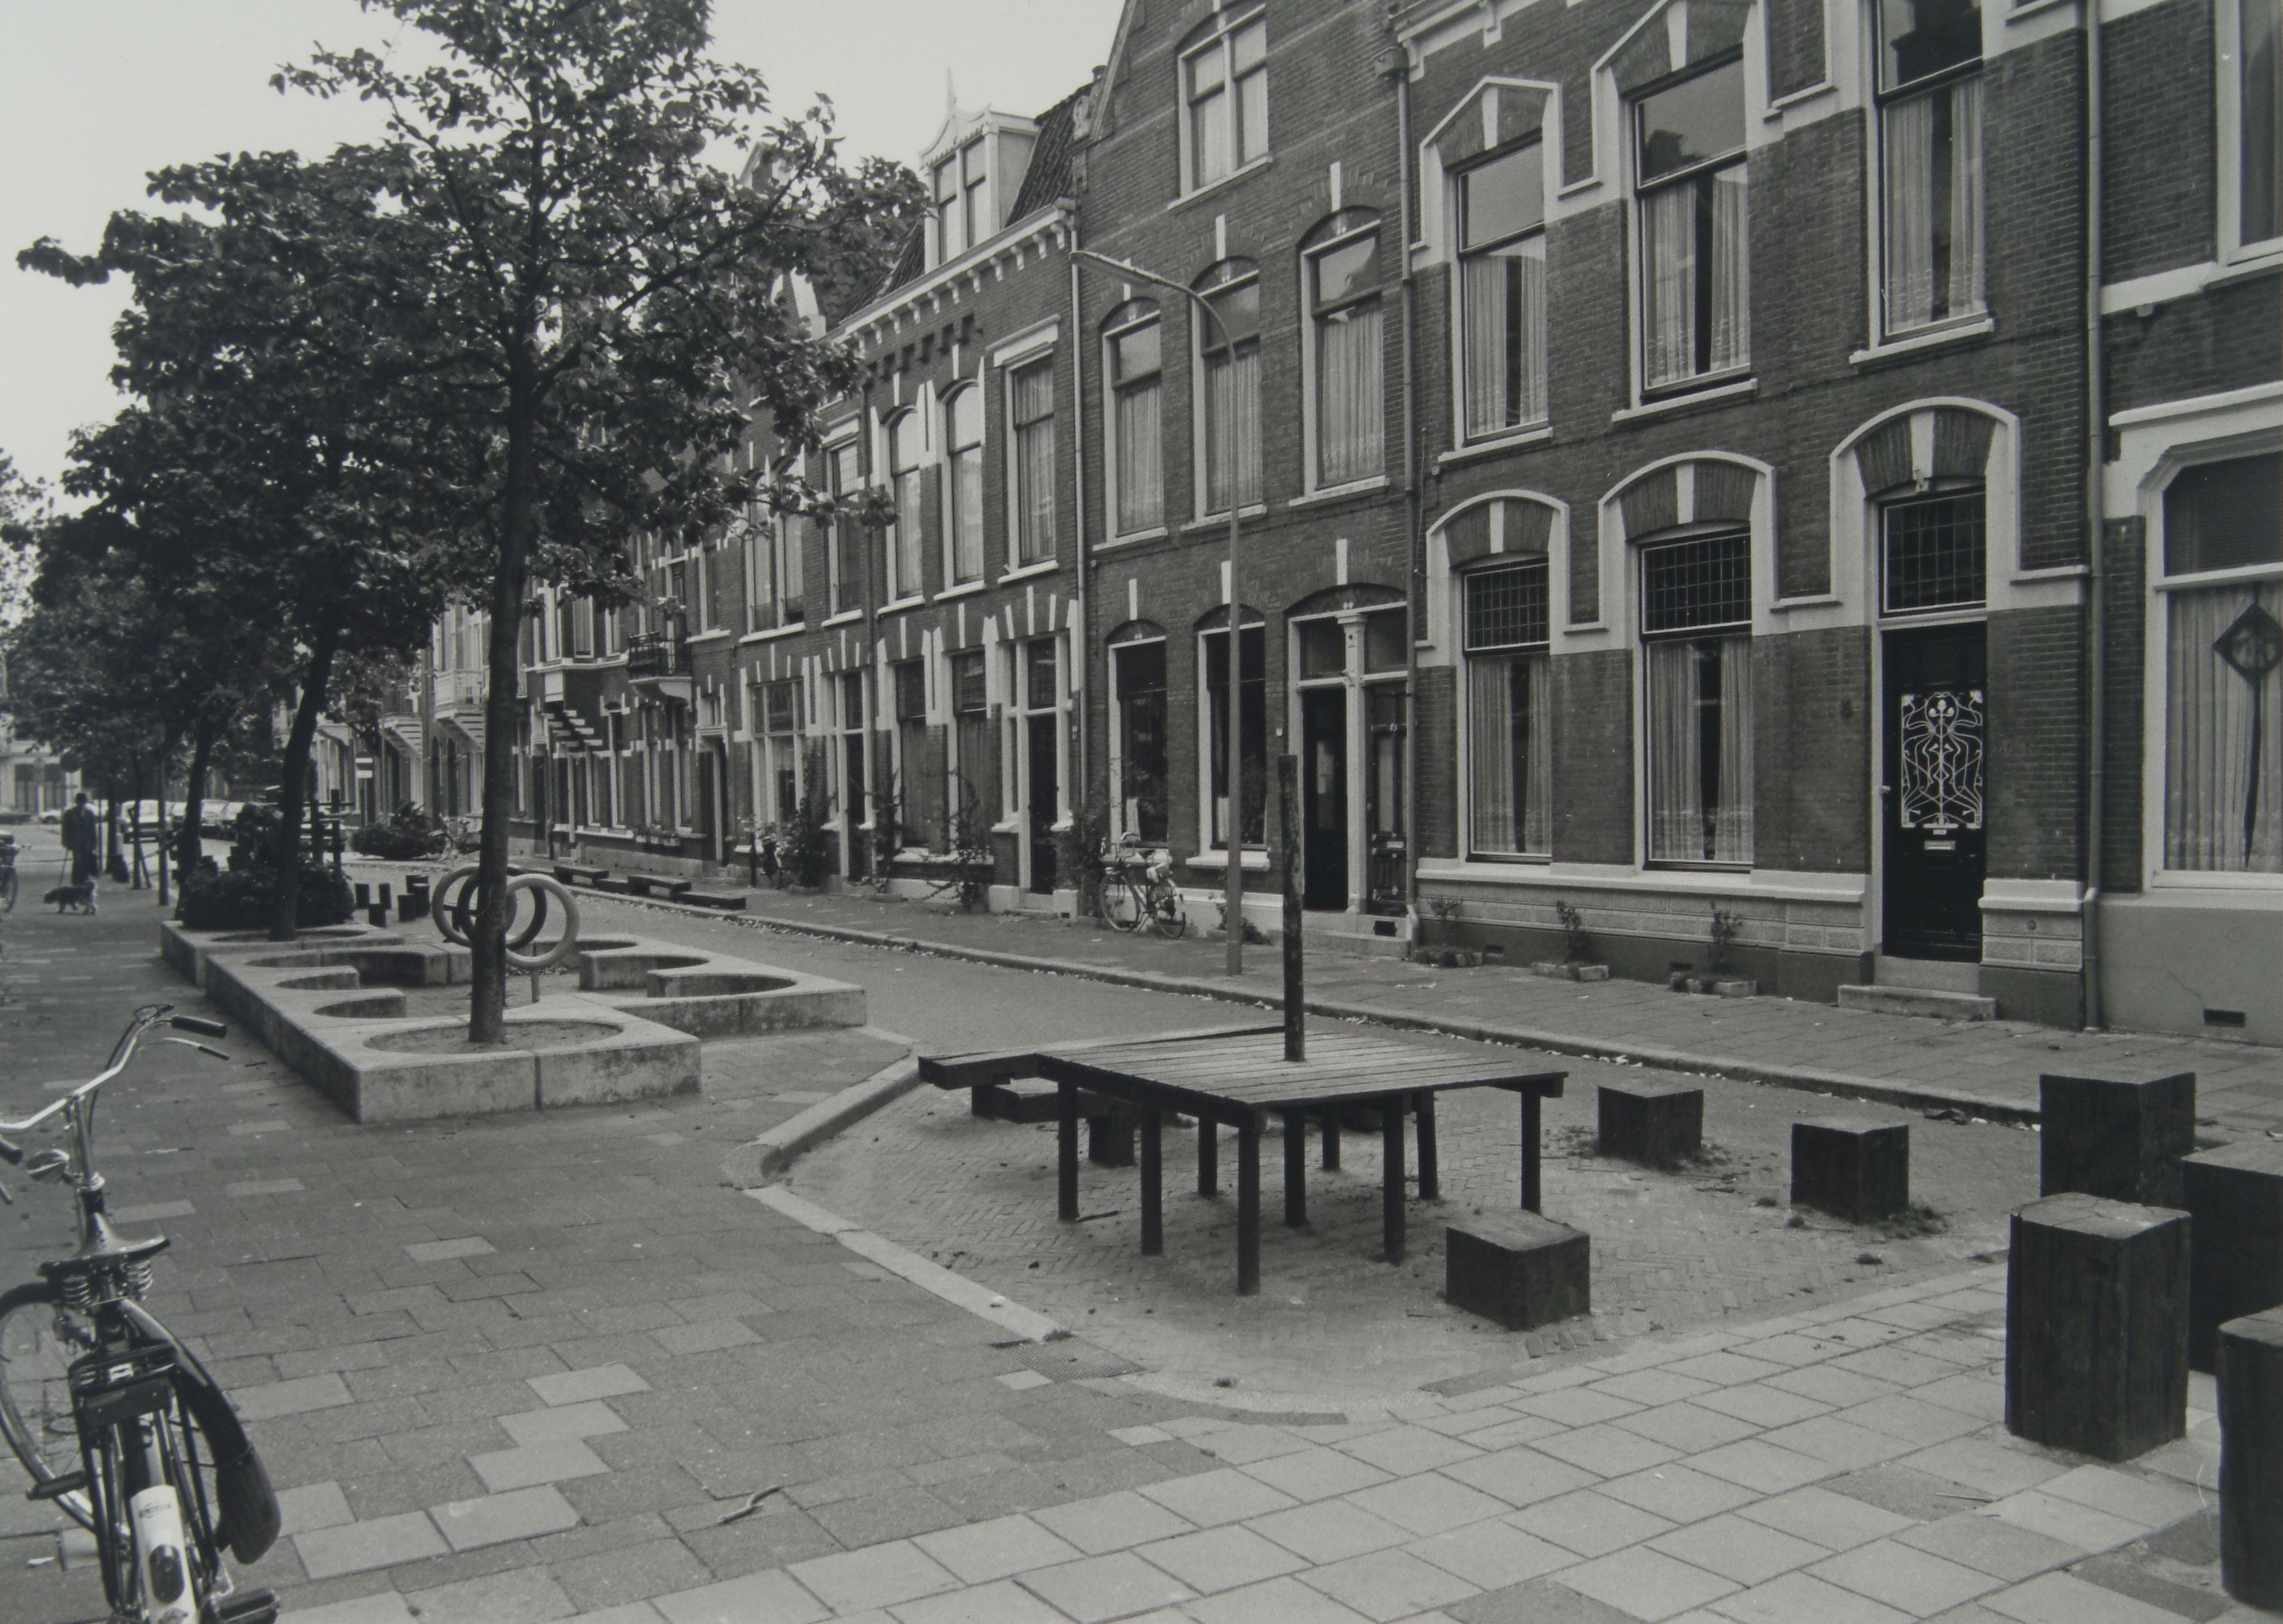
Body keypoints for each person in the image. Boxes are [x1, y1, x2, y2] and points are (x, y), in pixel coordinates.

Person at [59, 791, 99, 887]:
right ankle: (76, 883)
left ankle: (84, 882)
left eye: (83, 802)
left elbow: (92, 830)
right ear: (77, 803)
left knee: (87, 863)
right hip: (76, 843)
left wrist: (94, 844)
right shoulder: (69, 814)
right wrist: (66, 843)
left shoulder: (89, 814)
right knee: (78, 862)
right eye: (80, 802)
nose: (82, 805)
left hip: (88, 843)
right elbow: (65, 830)